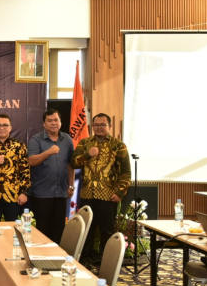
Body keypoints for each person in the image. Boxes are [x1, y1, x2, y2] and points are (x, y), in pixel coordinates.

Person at [71, 113, 131, 263]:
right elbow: (74, 163)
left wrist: (120, 192)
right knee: (87, 230)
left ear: (109, 126)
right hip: (87, 194)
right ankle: (85, 261)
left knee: (107, 231)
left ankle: (106, 262)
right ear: (92, 126)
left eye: (103, 125)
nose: (99, 128)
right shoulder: (84, 143)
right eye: (96, 125)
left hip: (108, 195)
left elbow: (125, 172)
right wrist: (87, 155)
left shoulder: (118, 145)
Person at [27, 109, 75, 244]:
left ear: (60, 122)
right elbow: (31, 161)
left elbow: (71, 164)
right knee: (43, 230)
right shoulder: (36, 139)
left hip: (61, 193)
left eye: (56, 120)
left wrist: (71, 185)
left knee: (59, 229)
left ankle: (56, 255)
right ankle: (42, 255)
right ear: (44, 124)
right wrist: (48, 152)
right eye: (49, 121)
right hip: (42, 193)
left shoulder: (67, 139)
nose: (53, 123)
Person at [0, 114, 30, 222]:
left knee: (13, 228)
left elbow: (25, 171)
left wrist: (24, 192)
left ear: (10, 127)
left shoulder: (19, 146)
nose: (1, 128)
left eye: (5, 125)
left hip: (13, 196)